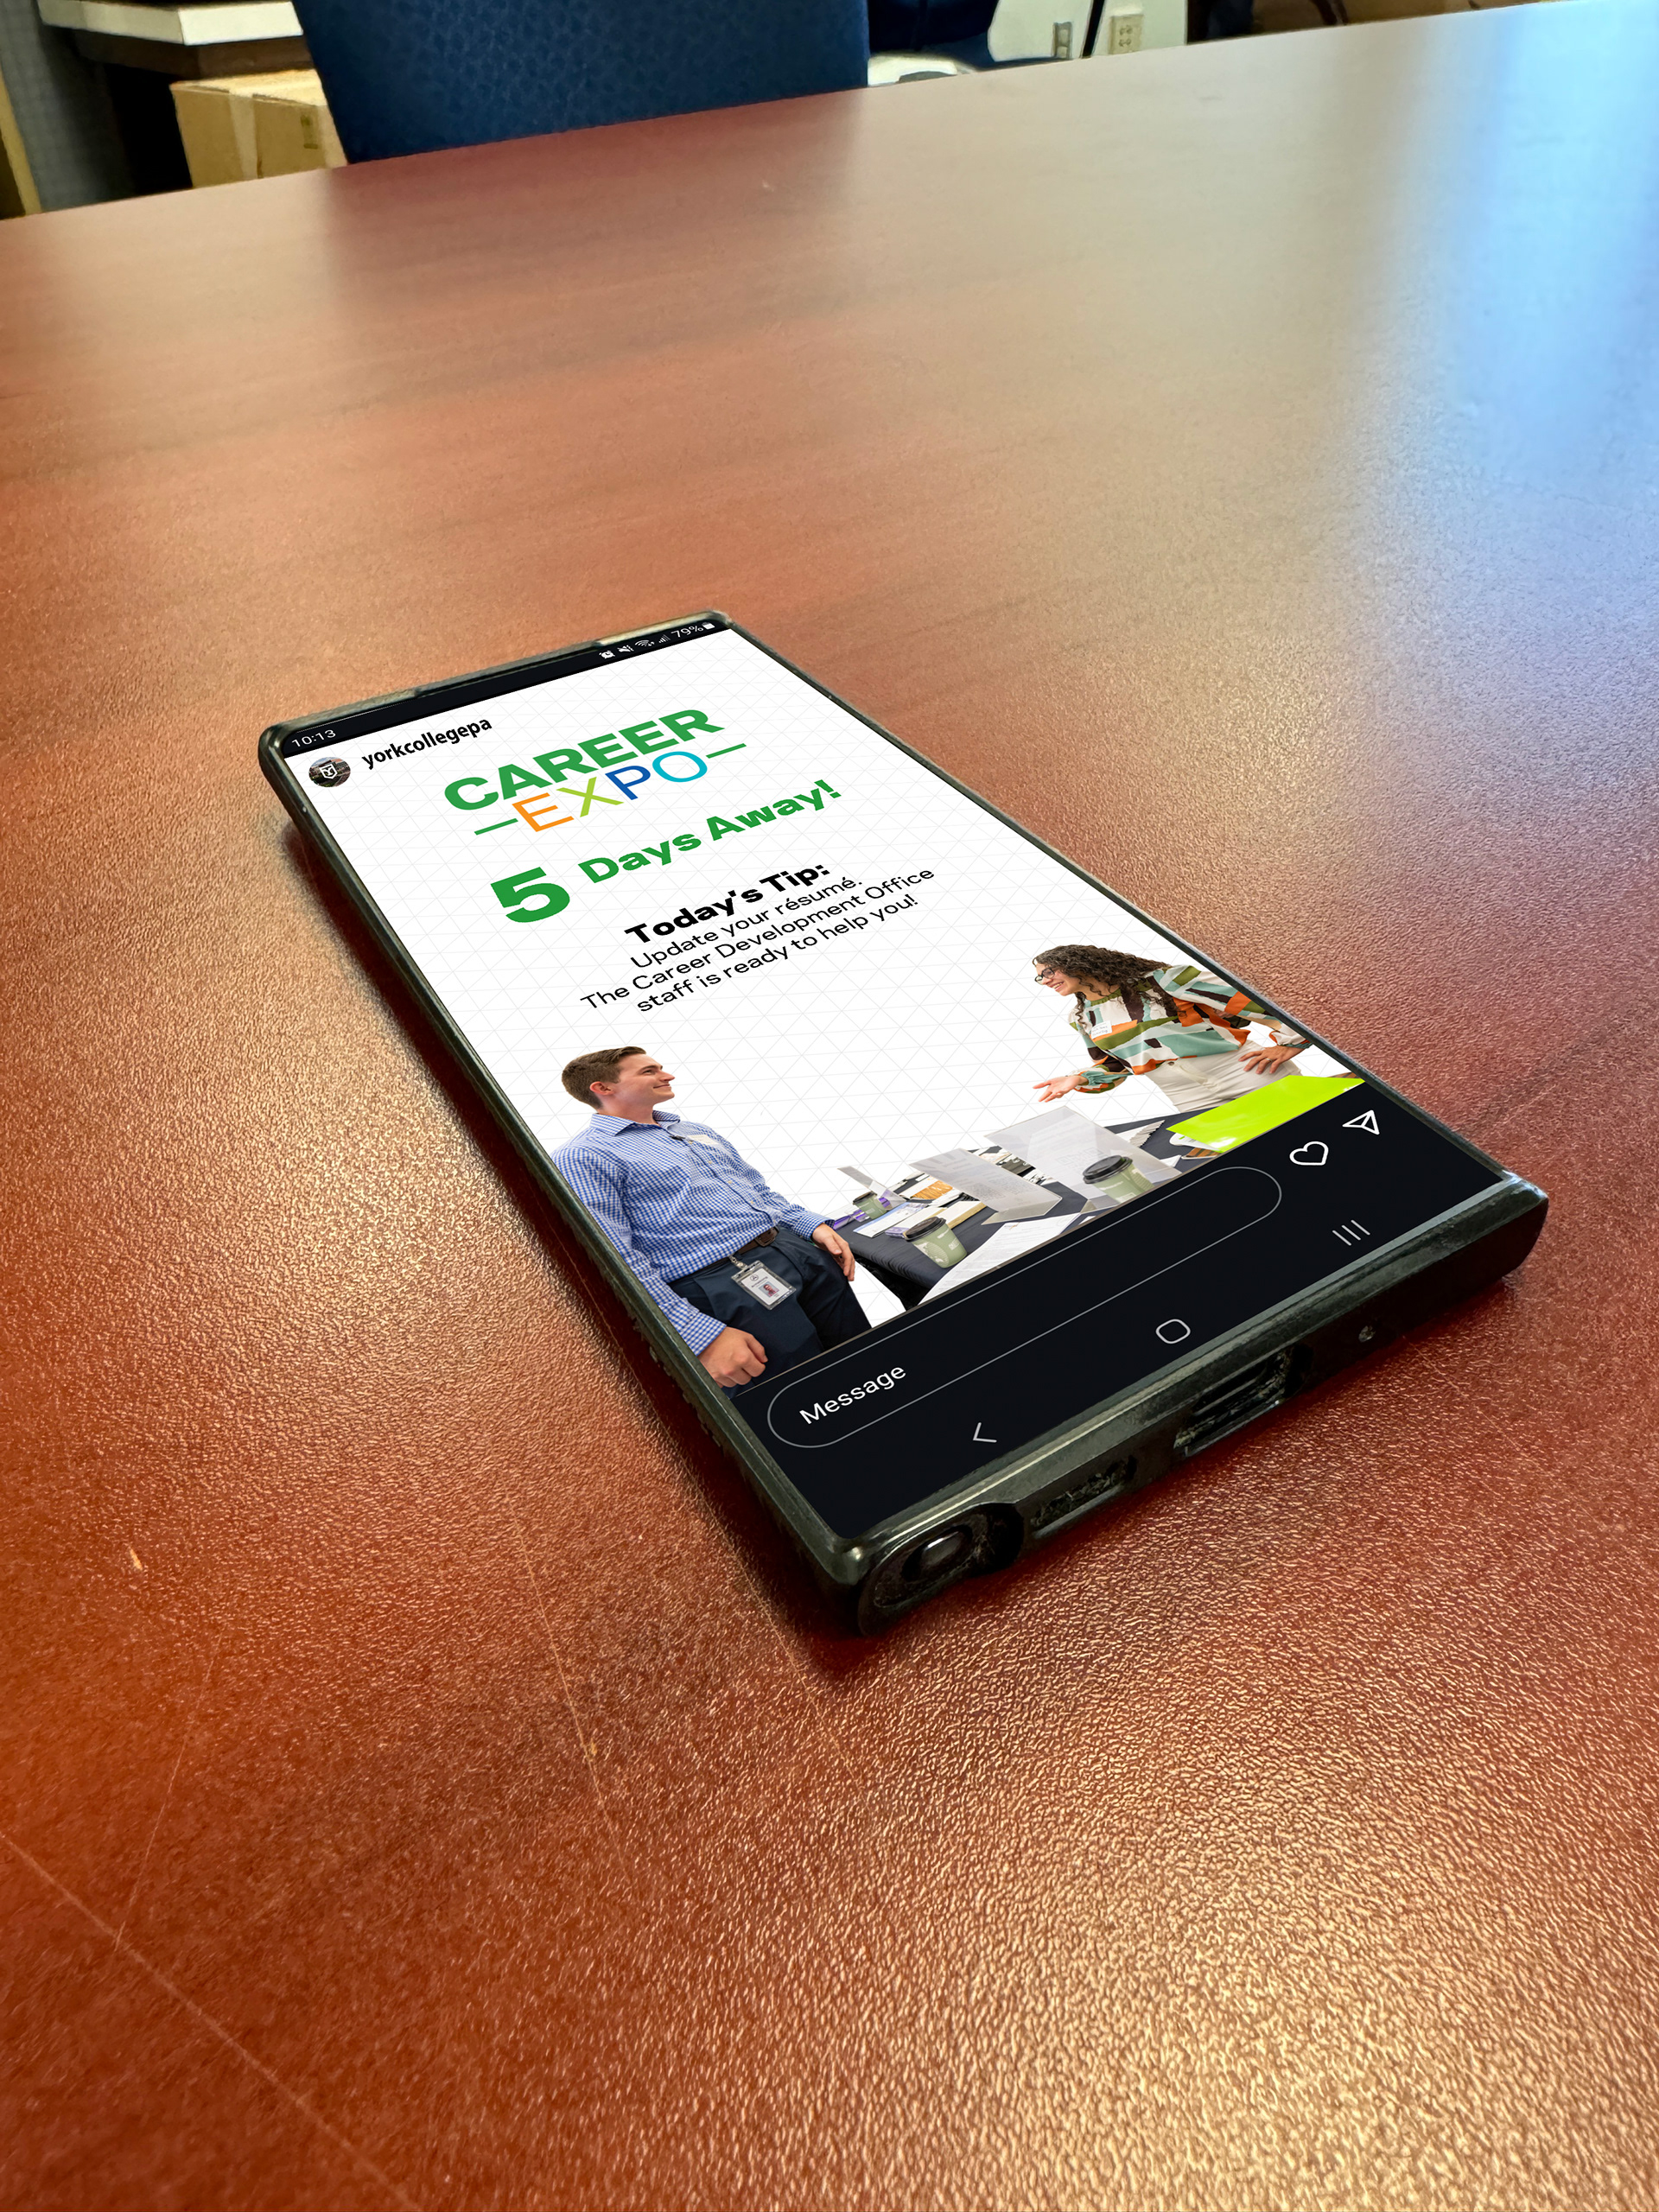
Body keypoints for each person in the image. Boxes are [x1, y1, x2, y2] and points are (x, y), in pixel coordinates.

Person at [552, 1046, 868, 1390]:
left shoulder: (690, 1129)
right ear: (603, 1088)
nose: (667, 1075)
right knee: (805, 1393)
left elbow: (755, 1189)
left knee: (869, 1359)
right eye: (648, 1071)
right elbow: (613, 1257)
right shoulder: (582, 1156)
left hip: (794, 1251)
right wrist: (697, 1334)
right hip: (724, 1284)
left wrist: (810, 1225)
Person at [1030, 944, 1306, 1116]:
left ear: (1077, 964)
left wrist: (1291, 1042)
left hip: (1247, 1074)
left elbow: (1252, 999)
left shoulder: (1163, 981)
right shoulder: (1081, 1017)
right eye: (1039, 977)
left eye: (1048, 972)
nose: (1044, 981)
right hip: (1189, 1098)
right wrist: (1079, 1079)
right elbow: (1116, 1066)